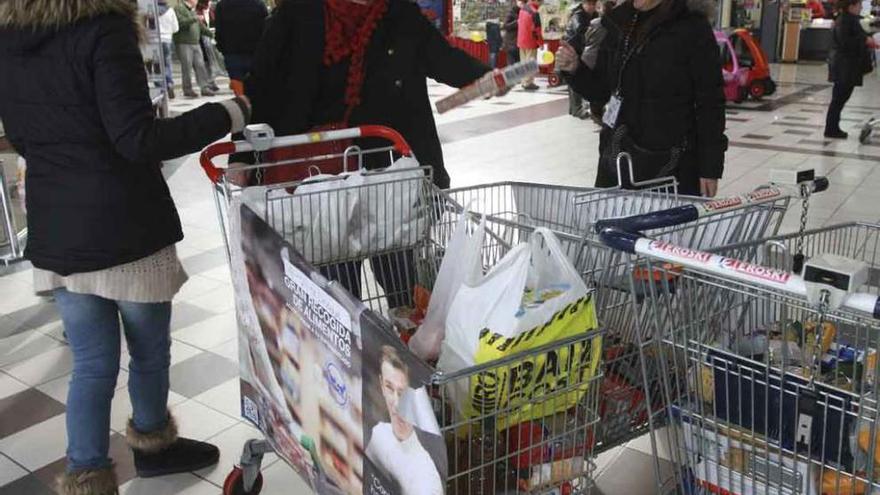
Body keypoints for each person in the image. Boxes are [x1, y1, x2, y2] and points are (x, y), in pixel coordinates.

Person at [0, 1, 252, 493]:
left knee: (91, 364)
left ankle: (87, 474)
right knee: (148, 353)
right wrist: (227, 112)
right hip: (124, 227)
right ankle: (154, 447)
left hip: (57, 225)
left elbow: (25, 139)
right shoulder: (104, 30)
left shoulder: (9, 38)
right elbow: (137, 139)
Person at [244, 0, 493, 304]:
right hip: (320, 182)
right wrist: (242, 157)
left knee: (403, 285)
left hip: (388, 178)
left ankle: (406, 342)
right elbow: (259, 87)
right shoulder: (297, 13)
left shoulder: (400, 14)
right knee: (337, 292)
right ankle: (351, 346)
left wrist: (490, 78)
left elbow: (445, 60)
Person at [556, 0, 727, 197]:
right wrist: (575, 69)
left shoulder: (691, 27)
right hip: (617, 160)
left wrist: (709, 167)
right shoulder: (618, 22)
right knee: (611, 225)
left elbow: (710, 102)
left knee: (661, 228)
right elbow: (602, 91)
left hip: (669, 167)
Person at [366, 346, 445, 495]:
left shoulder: (425, 479)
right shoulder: (379, 433)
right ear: (381, 385)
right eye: (389, 388)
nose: (396, 404)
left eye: (402, 392)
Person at [825, 0, 877, 139]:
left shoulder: (849, 19)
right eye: (859, 5)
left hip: (846, 66)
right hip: (844, 66)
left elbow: (865, 27)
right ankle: (831, 129)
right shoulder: (845, 21)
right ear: (851, 6)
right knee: (839, 99)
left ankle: (832, 127)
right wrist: (865, 41)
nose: (861, 7)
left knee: (840, 98)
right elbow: (846, 42)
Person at [215, 0, 270, 94]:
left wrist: (222, 48)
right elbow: (266, 29)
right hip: (255, 52)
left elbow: (219, 30)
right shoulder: (258, 4)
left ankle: (243, 105)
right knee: (257, 87)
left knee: (238, 85)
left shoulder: (222, 5)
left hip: (232, 53)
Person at [174, 0, 217, 97]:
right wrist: (194, 18)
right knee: (187, 67)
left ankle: (204, 87)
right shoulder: (179, 8)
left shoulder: (192, 10)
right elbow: (180, 23)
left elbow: (200, 27)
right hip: (184, 42)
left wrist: (211, 34)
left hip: (195, 42)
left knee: (200, 65)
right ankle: (187, 89)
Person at [565, 0, 600, 117]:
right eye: (588, 4)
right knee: (575, 78)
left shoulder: (594, 15)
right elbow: (581, 31)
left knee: (581, 78)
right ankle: (577, 109)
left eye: (593, 4)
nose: (591, 7)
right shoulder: (578, 15)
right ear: (583, 4)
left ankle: (575, 109)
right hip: (572, 49)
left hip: (583, 50)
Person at [518, 0, 544, 90]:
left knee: (524, 62)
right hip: (530, 41)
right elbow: (537, 30)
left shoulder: (523, 9)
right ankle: (528, 83)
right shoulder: (534, 12)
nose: (541, 4)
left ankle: (524, 81)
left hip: (521, 40)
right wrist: (540, 43)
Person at [157, 0, 179, 99]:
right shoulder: (170, 10)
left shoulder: (152, 11)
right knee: (167, 63)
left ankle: (161, 88)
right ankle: (169, 83)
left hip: (155, 40)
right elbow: (176, 28)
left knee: (157, 65)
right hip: (167, 40)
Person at [503, 0, 524, 65]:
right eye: (520, 2)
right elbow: (505, 26)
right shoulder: (511, 12)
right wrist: (517, 22)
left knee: (518, 65)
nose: (522, 4)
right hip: (511, 43)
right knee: (511, 65)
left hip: (519, 43)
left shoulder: (523, 11)